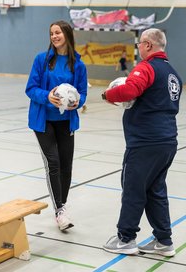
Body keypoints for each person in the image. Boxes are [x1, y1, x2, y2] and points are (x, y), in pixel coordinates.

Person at [102, 28, 182, 256]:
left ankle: (125, 238)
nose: (138, 48)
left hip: (145, 143)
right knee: (155, 190)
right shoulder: (173, 73)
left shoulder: (147, 67)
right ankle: (164, 241)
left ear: (147, 44)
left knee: (133, 189)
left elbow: (129, 90)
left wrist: (107, 95)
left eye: (140, 45)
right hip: (167, 142)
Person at [25, 20, 87, 231]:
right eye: (51, 33)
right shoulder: (41, 60)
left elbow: (83, 92)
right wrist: (47, 96)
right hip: (43, 121)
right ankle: (59, 210)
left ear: (67, 35)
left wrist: (79, 101)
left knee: (66, 166)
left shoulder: (78, 65)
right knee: (53, 163)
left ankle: (62, 205)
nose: (54, 36)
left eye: (58, 33)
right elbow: (31, 88)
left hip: (66, 122)